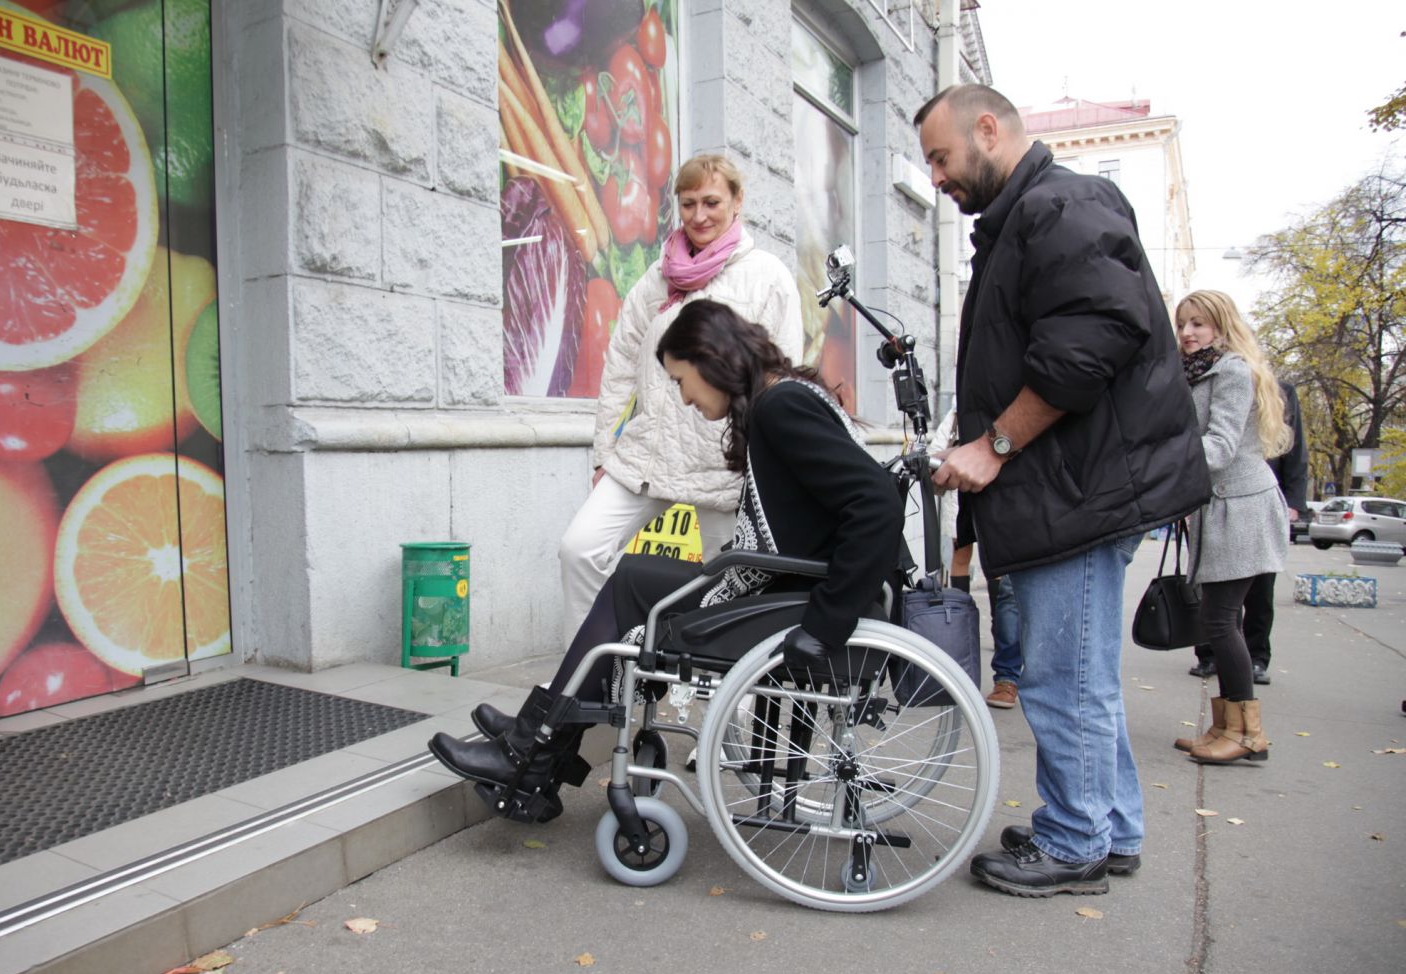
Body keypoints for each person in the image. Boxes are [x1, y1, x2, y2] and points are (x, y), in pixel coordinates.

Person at [430, 300, 904, 821]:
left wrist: (828, 623)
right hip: (788, 587)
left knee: (630, 583)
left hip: (799, 602)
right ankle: (539, 742)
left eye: (682, 380)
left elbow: (877, 503)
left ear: (711, 361)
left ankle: (532, 747)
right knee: (632, 579)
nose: (683, 398)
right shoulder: (781, 396)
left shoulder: (780, 405)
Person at [917, 84, 1210, 897]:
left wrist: (995, 443)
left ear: (988, 130)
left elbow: (1094, 339)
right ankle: (1107, 826)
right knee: (1083, 674)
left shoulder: (1060, 203)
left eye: (940, 157)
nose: (936, 177)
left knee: (1060, 676)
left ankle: (1075, 839)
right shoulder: (1033, 215)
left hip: (1076, 494)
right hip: (1073, 488)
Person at [560, 154, 802, 634]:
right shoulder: (657, 278)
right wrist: (605, 451)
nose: (699, 215)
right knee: (580, 549)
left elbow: (783, 378)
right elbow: (620, 367)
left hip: (726, 466)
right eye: (688, 203)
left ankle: (728, 701)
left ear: (737, 202)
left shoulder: (767, 276)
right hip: (647, 456)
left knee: (730, 589)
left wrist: (768, 469)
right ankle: (588, 678)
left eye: (712, 201)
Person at [1170, 291, 1291, 765]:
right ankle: (1226, 725)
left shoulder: (1232, 370)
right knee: (1217, 620)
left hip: (1241, 509)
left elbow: (1218, 445)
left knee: (1221, 620)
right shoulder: (1199, 371)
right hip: (1218, 509)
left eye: (1198, 323)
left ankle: (1247, 735)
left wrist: (1164, 472)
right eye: (1183, 324)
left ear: (1221, 325)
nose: (1187, 333)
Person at [1187, 378, 1307, 683]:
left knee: (1254, 596)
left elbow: (1294, 451)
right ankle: (1211, 658)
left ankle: (1256, 658)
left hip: (1252, 499)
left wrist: (1294, 500)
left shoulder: (1267, 384)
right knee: (1215, 605)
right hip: (1214, 501)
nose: (1189, 333)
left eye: (1199, 325)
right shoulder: (1200, 378)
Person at [950, 503, 1022, 710]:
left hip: (1010, 494)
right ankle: (962, 646)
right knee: (960, 551)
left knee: (1006, 581)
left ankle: (1006, 676)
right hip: (965, 488)